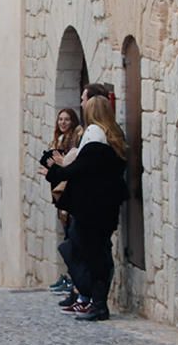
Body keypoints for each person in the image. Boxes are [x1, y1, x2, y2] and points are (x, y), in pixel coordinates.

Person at [44, 96, 127, 322]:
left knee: (85, 253)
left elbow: (78, 170)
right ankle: (95, 301)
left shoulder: (94, 138)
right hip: (106, 209)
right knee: (98, 252)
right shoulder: (115, 138)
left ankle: (95, 301)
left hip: (90, 209)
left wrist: (54, 171)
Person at [45, 107, 82, 295]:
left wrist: (60, 163)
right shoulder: (58, 140)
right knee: (67, 236)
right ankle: (70, 278)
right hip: (59, 193)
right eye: (60, 119)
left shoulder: (74, 141)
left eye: (67, 119)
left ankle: (75, 281)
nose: (63, 122)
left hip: (69, 193)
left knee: (71, 238)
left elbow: (70, 166)